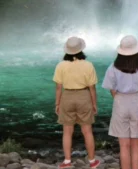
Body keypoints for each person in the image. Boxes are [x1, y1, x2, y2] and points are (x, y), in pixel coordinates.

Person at [102, 35, 138, 169]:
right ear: (136, 51)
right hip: (137, 101)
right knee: (136, 145)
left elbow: (111, 87)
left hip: (120, 101)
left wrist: (119, 98)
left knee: (124, 145)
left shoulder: (113, 67)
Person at [53, 37, 100, 169]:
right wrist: (94, 103)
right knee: (87, 131)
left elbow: (58, 87)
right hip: (84, 96)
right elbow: (92, 87)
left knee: (67, 131)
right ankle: (92, 162)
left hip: (67, 96)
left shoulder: (61, 65)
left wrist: (57, 103)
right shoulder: (88, 65)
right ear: (81, 50)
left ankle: (67, 161)